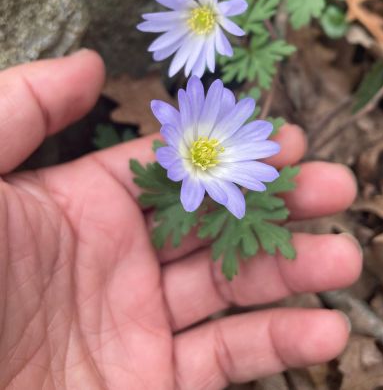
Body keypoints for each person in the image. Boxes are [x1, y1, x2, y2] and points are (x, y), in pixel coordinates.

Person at [0, 49, 362, 389]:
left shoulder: (220, 173)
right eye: (203, 151)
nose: (205, 152)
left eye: (209, 152)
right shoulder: (182, 152)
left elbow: (251, 164)